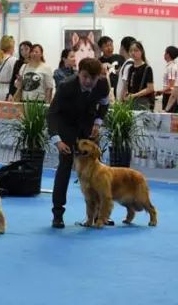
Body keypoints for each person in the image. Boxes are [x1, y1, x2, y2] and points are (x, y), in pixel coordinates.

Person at [47, 58, 109, 229]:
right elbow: (52, 114)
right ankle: (58, 214)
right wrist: (57, 140)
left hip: (88, 129)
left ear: (98, 77)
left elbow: (104, 104)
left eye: (93, 78)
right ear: (78, 73)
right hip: (67, 128)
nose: (88, 81)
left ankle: (99, 215)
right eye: (85, 77)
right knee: (65, 167)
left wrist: (98, 122)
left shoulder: (103, 85)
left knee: (97, 171)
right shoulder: (66, 86)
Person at [123, 41, 154, 111]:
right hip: (131, 102)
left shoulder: (147, 68)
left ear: (141, 51)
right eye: (131, 51)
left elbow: (150, 88)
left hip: (143, 102)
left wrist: (134, 95)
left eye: (136, 50)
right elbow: (128, 85)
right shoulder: (130, 68)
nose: (133, 53)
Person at [115, 36, 137, 101]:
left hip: (124, 103)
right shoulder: (130, 62)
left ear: (122, 47)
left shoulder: (129, 63)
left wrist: (121, 102)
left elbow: (126, 86)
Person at [161, 46, 178, 113]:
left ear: (168, 54)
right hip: (167, 94)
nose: (164, 54)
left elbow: (171, 85)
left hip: (169, 96)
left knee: (168, 116)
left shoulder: (171, 67)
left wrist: (160, 91)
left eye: (165, 52)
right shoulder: (171, 66)